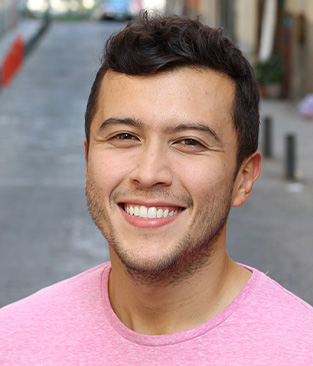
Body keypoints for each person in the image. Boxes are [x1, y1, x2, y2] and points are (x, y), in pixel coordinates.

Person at [1, 11, 312, 365]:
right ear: (88, 161)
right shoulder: (12, 342)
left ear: (244, 178)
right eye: (124, 137)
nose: (149, 173)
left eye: (189, 142)